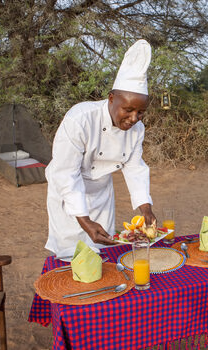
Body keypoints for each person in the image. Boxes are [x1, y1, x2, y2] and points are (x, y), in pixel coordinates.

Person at [45, 39, 156, 256]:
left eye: (140, 112)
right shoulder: (80, 119)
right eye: (128, 109)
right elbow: (66, 173)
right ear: (111, 98)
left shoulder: (137, 129)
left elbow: (135, 167)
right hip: (68, 194)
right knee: (71, 255)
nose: (134, 118)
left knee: (102, 253)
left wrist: (146, 208)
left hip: (101, 194)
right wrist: (84, 220)